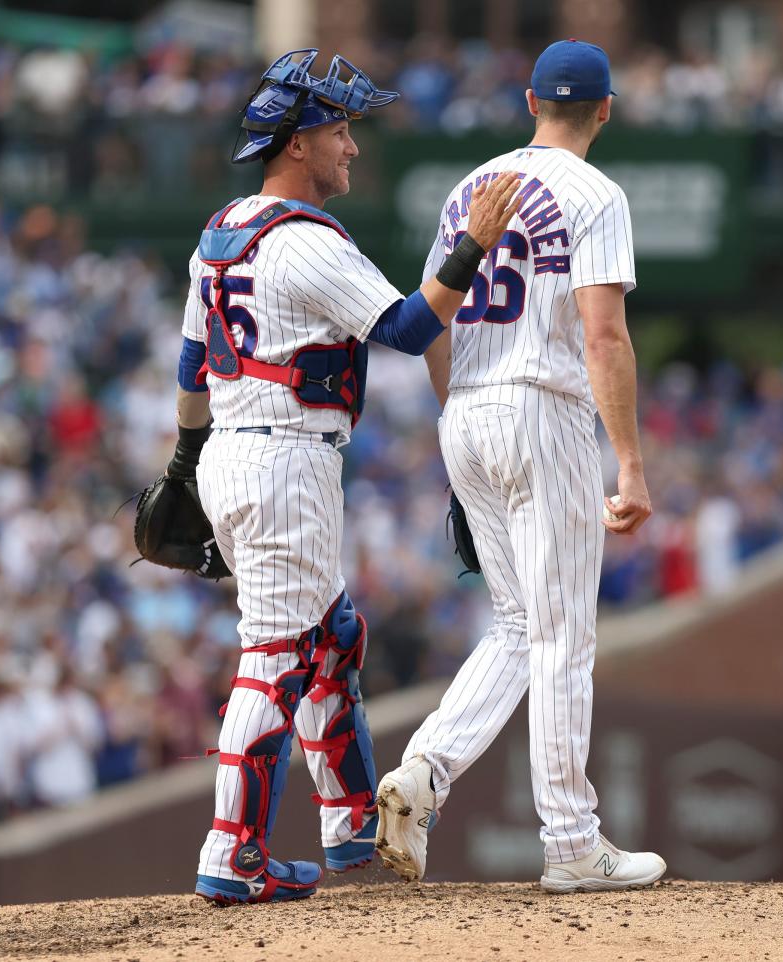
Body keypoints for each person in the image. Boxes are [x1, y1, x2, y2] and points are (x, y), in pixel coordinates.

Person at [171, 49, 521, 905]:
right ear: (296, 143)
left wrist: (184, 465)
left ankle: (351, 823)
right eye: (339, 130)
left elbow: (190, 367)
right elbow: (404, 328)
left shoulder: (223, 229)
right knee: (276, 653)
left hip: (237, 448)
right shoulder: (300, 240)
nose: (352, 147)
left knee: (328, 636)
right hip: (283, 455)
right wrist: (472, 244)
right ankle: (233, 853)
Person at [374, 40, 667, 893]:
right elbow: (605, 336)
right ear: (605, 110)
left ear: (531, 100)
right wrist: (631, 465)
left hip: (466, 406)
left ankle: (425, 772)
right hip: (547, 408)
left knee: (515, 625)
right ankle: (571, 840)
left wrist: (462, 424)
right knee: (562, 632)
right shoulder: (596, 193)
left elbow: (428, 321)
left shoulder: (472, 186)